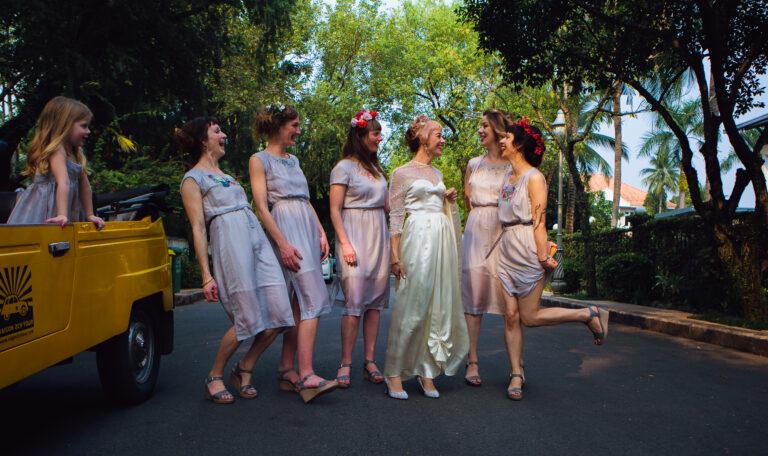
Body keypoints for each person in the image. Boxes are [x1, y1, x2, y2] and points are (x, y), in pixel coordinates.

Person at [178, 117, 294, 404]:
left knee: (280, 314)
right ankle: (215, 375)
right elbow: (198, 228)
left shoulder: (227, 176)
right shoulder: (193, 179)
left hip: (255, 237)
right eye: (217, 131)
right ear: (202, 141)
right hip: (229, 241)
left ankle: (245, 367)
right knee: (247, 316)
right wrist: (206, 275)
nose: (224, 134)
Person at [495, 117, 609, 401]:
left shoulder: (534, 177)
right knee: (510, 316)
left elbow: (538, 220)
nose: (502, 140)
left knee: (530, 318)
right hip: (505, 249)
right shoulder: (506, 177)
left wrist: (543, 255)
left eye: (507, 137)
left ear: (519, 144)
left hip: (527, 250)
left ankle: (587, 314)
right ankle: (516, 374)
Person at [250, 103, 338, 403]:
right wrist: (283, 244)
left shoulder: (294, 160)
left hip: (305, 226)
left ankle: (287, 368)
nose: (299, 131)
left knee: (300, 303)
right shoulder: (259, 160)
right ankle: (307, 373)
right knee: (313, 297)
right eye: (295, 125)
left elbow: (306, 199)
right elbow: (262, 207)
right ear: (278, 126)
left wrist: (320, 230)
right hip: (284, 229)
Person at [383, 115, 469, 400]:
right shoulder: (401, 173)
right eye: (438, 134)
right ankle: (394, 371)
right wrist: (395, 258)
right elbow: (395, 219)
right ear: (423, 138)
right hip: (417, 240)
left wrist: (450, 200)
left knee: (437, 306)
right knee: (412, 304)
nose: (442, 140)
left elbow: (439, 207)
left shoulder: (438, 175)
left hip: (441, 243)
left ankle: (426, 370)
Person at [329, 109, 390, 388]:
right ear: (360, 135)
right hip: (353, 234)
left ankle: (369, 361)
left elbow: (390, 207)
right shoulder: (343, 167)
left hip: (379, 235)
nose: (380, 138)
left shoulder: (378, 169)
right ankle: (345, 362)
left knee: (375, 302)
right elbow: (334, 210)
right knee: (354, 302)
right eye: (375, 133)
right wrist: (345, 243)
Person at [461, 109, 512, 387]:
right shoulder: (473, 164)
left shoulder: (513, 166)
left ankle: (516, 361)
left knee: (509, 300)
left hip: (505, 230)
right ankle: (472, 360)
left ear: (497, 130)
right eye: (479, 126)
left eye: (484, 126)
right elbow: (469, 199)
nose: (480, 130)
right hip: (477, 229)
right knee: (474, 297)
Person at [7, 96, 104, 228]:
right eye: (84, 126)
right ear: (65, 125)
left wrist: (90, 215)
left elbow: (85, 186)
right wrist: (62, 215)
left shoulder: (76, 152)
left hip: (61, 209)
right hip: (44, 210)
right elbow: (63, 181)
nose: (88, 131)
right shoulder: (57, 149)